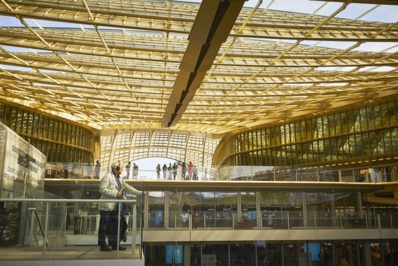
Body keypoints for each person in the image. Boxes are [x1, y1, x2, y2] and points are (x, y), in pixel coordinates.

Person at [98, 161, 145, 251]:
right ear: (116, 168)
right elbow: (102, 189)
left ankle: (114, 244)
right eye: (122, 168)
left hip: (116, 207)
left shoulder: (120, 178)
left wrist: (139, 193)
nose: (123, 170)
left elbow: (128, 187)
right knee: (104, 225)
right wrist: (115, 193)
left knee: (119, 225)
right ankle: (102, 244)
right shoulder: (107, 177)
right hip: (107, 206)